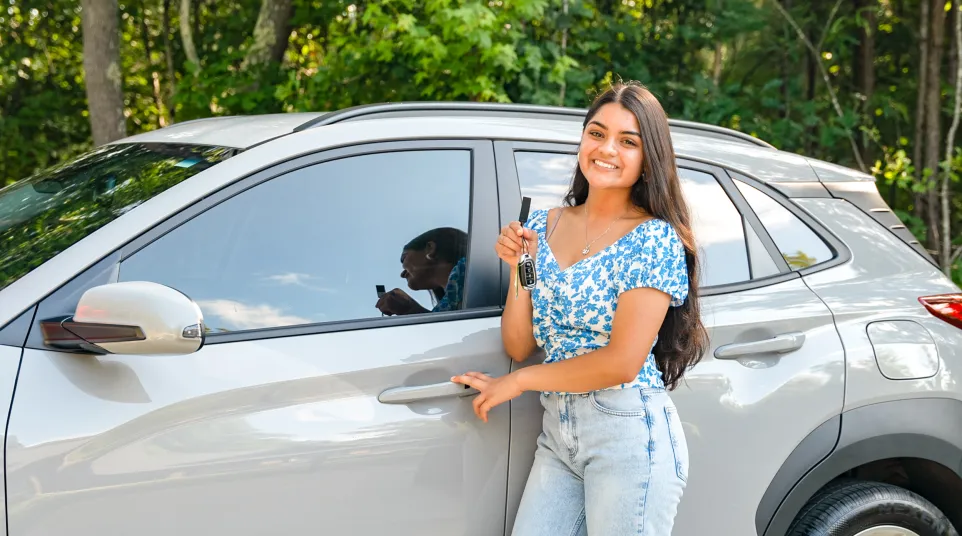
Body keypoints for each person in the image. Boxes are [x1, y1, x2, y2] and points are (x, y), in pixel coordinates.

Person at [452, 81, 709, 535]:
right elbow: (519, 342)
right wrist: (519, 267)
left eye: (628, 141)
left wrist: (519, 382)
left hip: (628, 436)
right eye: (597, 133)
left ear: (649, 158)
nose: (607, 149)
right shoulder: (543, 225)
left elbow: (622, 363)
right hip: (559, 433)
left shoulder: (653, 238)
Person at [375, 226, 467, 316]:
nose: (402, 274)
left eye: (404, 258)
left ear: (430, 248)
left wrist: (410, 309)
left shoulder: (466, 268)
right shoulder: (452, 299)